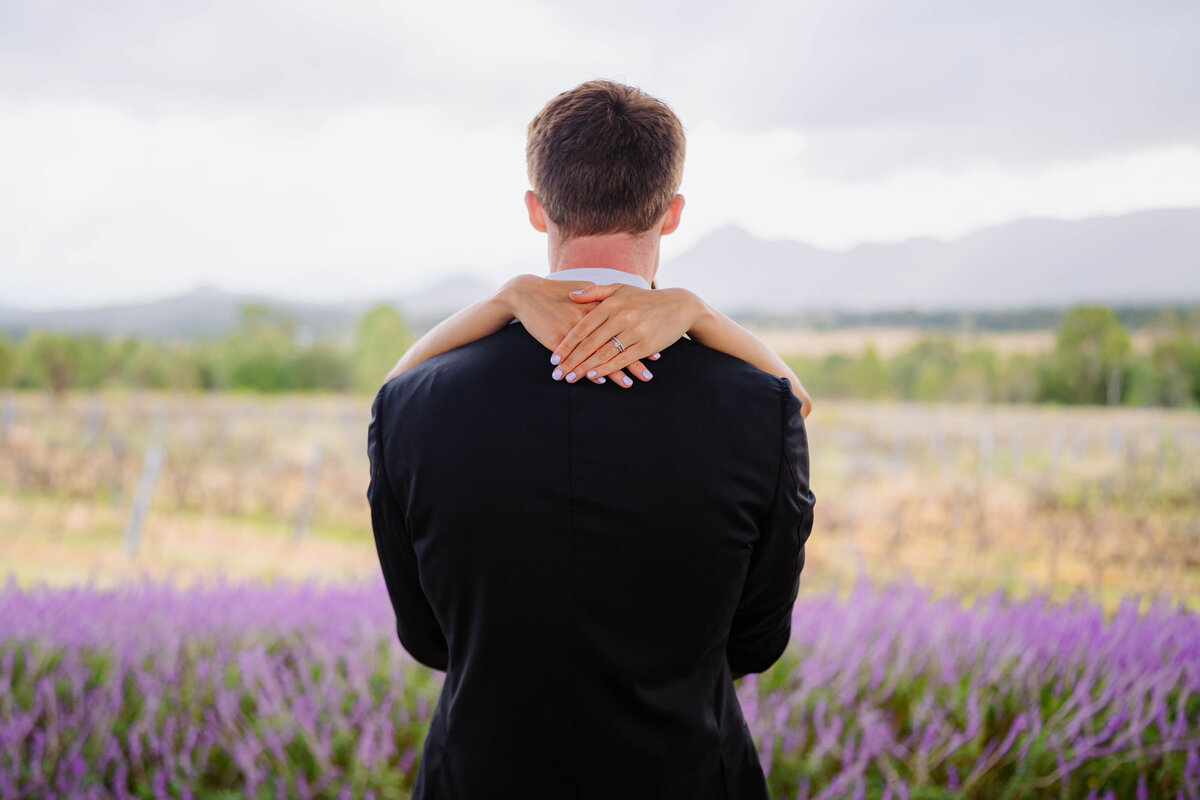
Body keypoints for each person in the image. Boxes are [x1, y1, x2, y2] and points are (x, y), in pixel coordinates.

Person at [368, 80, 815, 800]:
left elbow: (428, 639)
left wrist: (500, 300)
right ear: (671, 215)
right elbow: (756, 642)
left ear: (537, 208)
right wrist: (700, 315)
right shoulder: (759, 408)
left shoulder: (414, 405)